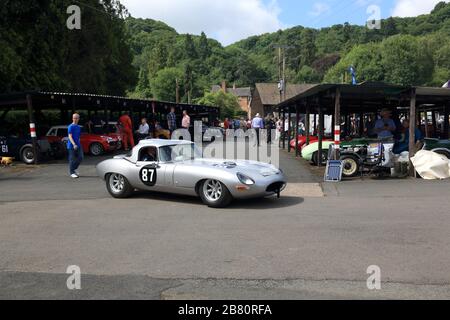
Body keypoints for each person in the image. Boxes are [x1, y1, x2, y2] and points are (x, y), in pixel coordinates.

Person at [67, 113, 83, 179]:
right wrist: (74, 144)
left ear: (78, 119)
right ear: (72, 118)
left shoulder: (79, 127)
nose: (75, 119)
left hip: (78, 145)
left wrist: (78, 143)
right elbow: (70, 136)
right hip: (71, 145)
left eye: (77, 118)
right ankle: (72, 173)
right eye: (74, 118)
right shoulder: (70, 126)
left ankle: (74, 168)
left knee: (81, 157)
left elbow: (78, 136)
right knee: (72, 159)